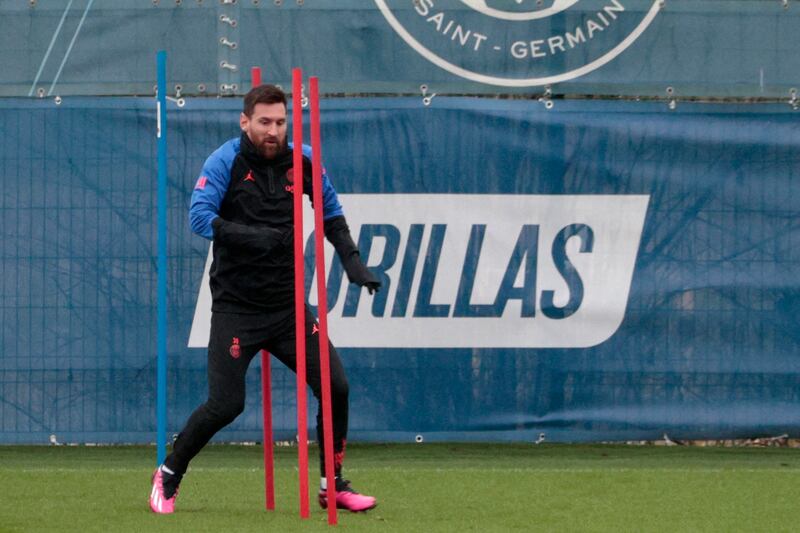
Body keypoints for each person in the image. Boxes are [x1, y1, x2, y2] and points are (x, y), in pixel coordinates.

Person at [149, 84, 380, 515]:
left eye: (280, 122)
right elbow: (199, 217)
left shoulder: (303, 160)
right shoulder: (226, 161)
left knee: (336, 387)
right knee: (226, 405)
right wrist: (258, 238)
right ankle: (168, 473)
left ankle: (333, 485)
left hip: (289, 308)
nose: (273, 131)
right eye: (264, 122)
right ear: (245, 122)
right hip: (237, 308)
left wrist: (353, 264)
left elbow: (330, 213)